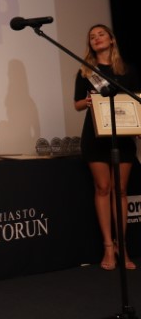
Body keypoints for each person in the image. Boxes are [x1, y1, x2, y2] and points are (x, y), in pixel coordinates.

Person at [74, 24, 140, 271]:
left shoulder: (127, 70)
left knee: (120, 190)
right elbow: (77, 104)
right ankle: (108, 247)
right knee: (103, 188)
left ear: (111, 40)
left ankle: (123, 246)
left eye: (101, 34)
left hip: (122, 135)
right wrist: (87, 101)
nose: (96, 38)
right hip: (95, 136)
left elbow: (136, 100)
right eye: (92, 36)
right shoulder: (86, 70)